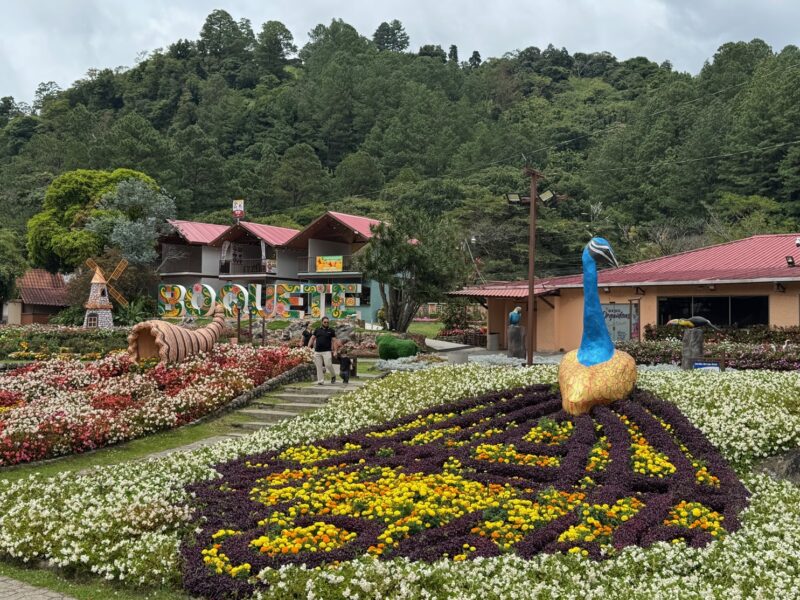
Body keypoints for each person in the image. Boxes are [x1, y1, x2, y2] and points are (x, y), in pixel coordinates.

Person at [309, 317, 338, 384]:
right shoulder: (317, 329)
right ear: (322, 322)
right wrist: (308, 347)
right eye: (325, 322)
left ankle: (333, 375)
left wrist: (335, 351)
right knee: (319, 366)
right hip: (317, 351)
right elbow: (312, 338)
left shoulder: (331, 330)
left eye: (327, 322)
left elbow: (334, 341)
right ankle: (320, 381)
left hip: (327, 351)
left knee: (328, 365)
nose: (326, 323)